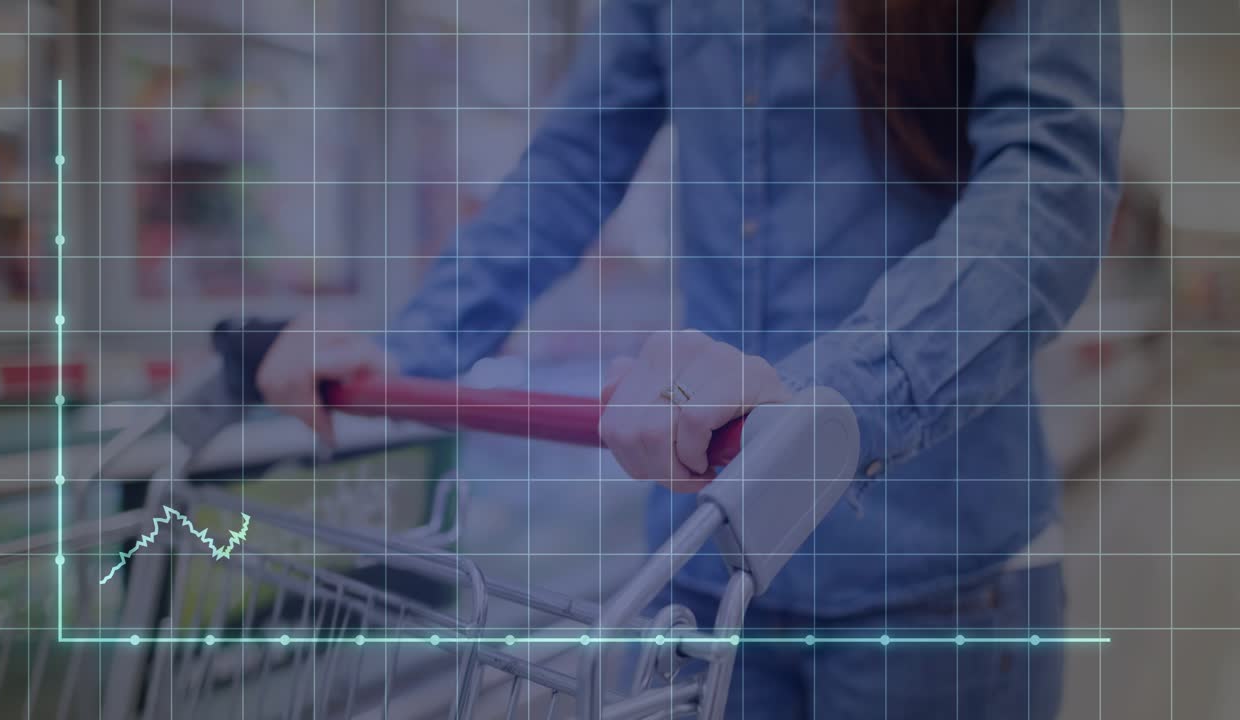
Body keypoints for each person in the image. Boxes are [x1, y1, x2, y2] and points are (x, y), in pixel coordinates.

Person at [258, 0, 1122, 716]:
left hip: (931, 568)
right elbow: (574, 158)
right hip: (705, 566)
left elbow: (1050, 179)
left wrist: (836, 401)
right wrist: (406, 350)